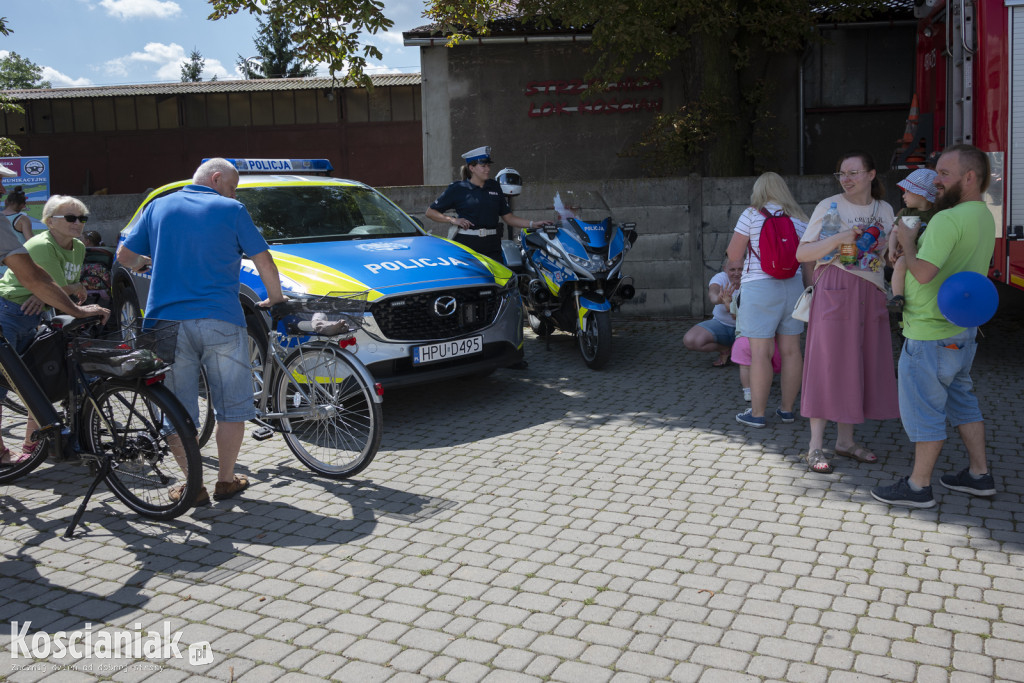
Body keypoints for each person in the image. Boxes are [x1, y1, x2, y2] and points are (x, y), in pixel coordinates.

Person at [117, 157, 287, 505]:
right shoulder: (232, 209)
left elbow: (124, 256)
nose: (233, 192)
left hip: (166, 323)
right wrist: (275, 298)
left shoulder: (158, 207)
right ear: (216, 177)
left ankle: (192, 486)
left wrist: (144, 263)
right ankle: (226, 480)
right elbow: (263, 259)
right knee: (232, 406)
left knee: (176, 409)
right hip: (221, 320)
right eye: (232, 185)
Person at [871, 144, 997, 508]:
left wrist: (908, 242)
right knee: (963, 402)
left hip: (929, 334)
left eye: (944, 174)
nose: (936, 181)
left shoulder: (947, 219)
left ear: (969, 177)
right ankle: (979, 474)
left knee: (925, 409)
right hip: (962, 331)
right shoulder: (983, 215)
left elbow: (923, 273)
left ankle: (918, 486)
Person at [795, 152, 899, 474]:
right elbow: (803, 253)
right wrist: (840, 238)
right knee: (828, 365)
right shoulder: (829, 206)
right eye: (841, 174)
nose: (846, 179)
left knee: (858, 365)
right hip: (836, 291)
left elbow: (887, 255)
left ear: (871, 174)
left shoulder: (885, 210)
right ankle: (815, 446)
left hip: (871, 293)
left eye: (853, 173)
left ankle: (845, 441)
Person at [0, 189, 110, 463]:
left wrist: (56, 293)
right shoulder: (41, 245)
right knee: (3, 388)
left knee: (38, 382)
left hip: (34, 317)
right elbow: (52, 286)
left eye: (82, 217)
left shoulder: (80, 247)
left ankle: (32, 446)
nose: (78, 222)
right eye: (71, 217)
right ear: (49, 221)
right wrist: (71, 295)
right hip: (10, 312)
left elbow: (53, 290)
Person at [726, 172, 811, 430]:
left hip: (760, 287)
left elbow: (733, 254)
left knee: (760, 352)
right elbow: (808, 260)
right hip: (793, 286)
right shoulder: (800, 218)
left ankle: (757, 414)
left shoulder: (751, 214)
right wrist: (809, 290)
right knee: (792, 350)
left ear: (758, 190)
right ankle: (787, 411)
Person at [425, 146, 546, 262]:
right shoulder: (457, 188)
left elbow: (508, 217)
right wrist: (452, 220)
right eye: (483, 166)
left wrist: (533, 224)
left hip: (492, 246)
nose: (487, 169)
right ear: (471, 168)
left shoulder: (494, 186)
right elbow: (430, 212)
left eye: (488, 165)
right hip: (467, 246)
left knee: (497, 281)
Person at [886, 168, 938, 311]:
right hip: (908, 254)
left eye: (908, 191)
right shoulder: (907, 212)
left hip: (928, 255)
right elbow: (895, 232)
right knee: (900, 263)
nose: (904, 196)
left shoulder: (937, 214)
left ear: (922, 194)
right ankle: (897, 297)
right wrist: (891, 248)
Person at [682, 258, 742, 367]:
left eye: (740, 269)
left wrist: (729, 304)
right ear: (725, 269)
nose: (737, 273)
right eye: (732, 269)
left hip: (745, 330)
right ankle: (725, 349)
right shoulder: (720, 277)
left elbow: (736, 316)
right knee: (690, 340)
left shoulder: (752, 280)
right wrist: (721, 299)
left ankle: (741, 350)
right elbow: (713, 295)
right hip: (721, 324)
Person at [730, 336, 782, 403]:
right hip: (762, 342)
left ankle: (747, 391)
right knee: (762, 365)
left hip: (742, 340)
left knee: (744, 368)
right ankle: (761, 390)